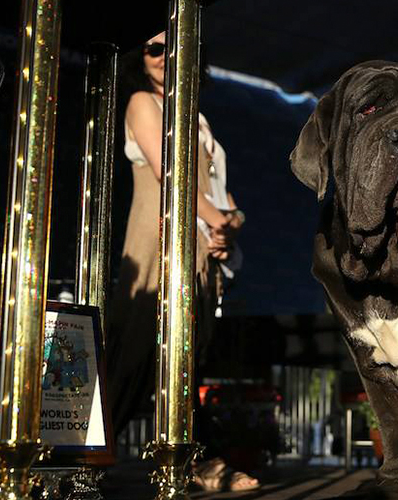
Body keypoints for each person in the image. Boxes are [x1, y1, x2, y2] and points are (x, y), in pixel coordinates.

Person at [107, 32, 256, 491]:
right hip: (158, 237)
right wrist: (220, 222)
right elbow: (167, 172)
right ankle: (76, 453)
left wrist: (228, 225)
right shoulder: (142, 103)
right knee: (135, 348)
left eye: (172, 45)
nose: (164, 55)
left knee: (187, 354)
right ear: (139, 56)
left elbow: (220, 196)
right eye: (153, 48)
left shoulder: (197, 117)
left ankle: (190, 457)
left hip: (198, 243)